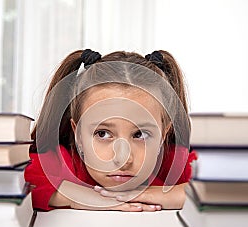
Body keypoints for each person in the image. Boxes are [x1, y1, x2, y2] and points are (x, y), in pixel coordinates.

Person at [25, 49, 197, 212]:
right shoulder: (61, 162)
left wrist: (155, 194)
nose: (123, 159)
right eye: (103, 134)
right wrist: (74, 197)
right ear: (78, 135)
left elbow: (219, 186)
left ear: (162, 136)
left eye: (140, 135)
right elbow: (16, 181)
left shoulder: (174, 163)